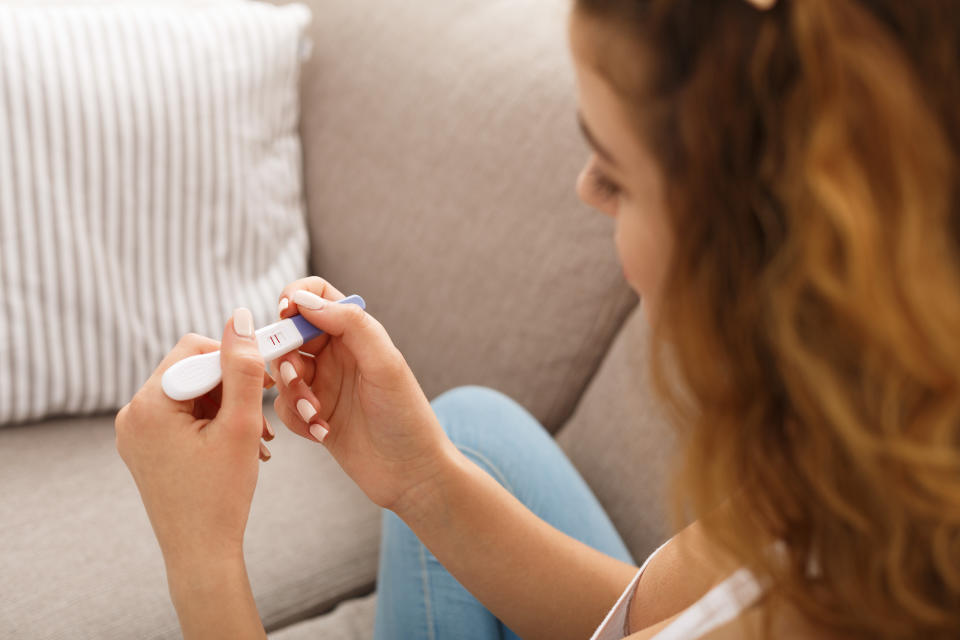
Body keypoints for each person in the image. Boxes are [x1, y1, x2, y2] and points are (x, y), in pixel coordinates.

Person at [115, 0, 960, 638]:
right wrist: (422, 480)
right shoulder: (846, 455)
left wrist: (202, 557)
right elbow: (644, 620)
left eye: (617, 174)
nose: (586, 191)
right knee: (475, 430)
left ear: (763, 243)